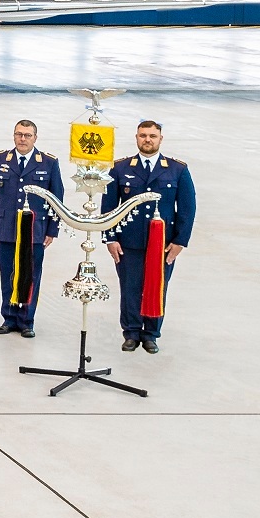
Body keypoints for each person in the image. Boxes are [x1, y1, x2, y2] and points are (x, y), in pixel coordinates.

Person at [106, 120, 196, 354]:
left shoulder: (177, 169)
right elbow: (109, 207)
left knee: (157, 287)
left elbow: (187, 208)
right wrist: (110, 238)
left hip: (163, 244)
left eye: (152, 136)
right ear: (136, 138)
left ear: (160, 139)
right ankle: (132, 332)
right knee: (130, 287)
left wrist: (179, 242)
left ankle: (151, 334)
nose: (148, 140)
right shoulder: (120, 168)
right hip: (129, 241)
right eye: (143, 135)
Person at [0, 120, 64, 339]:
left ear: (35, 138)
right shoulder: (0, 159)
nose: (22, 139)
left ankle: (27, 320)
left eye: (27, 135)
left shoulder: (48, 162)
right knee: (8, 273)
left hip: (34, 231)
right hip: (7, 227)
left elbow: (57, 198)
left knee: (31, 275)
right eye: (19, 134)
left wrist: (52, 230)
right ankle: (9, 317)